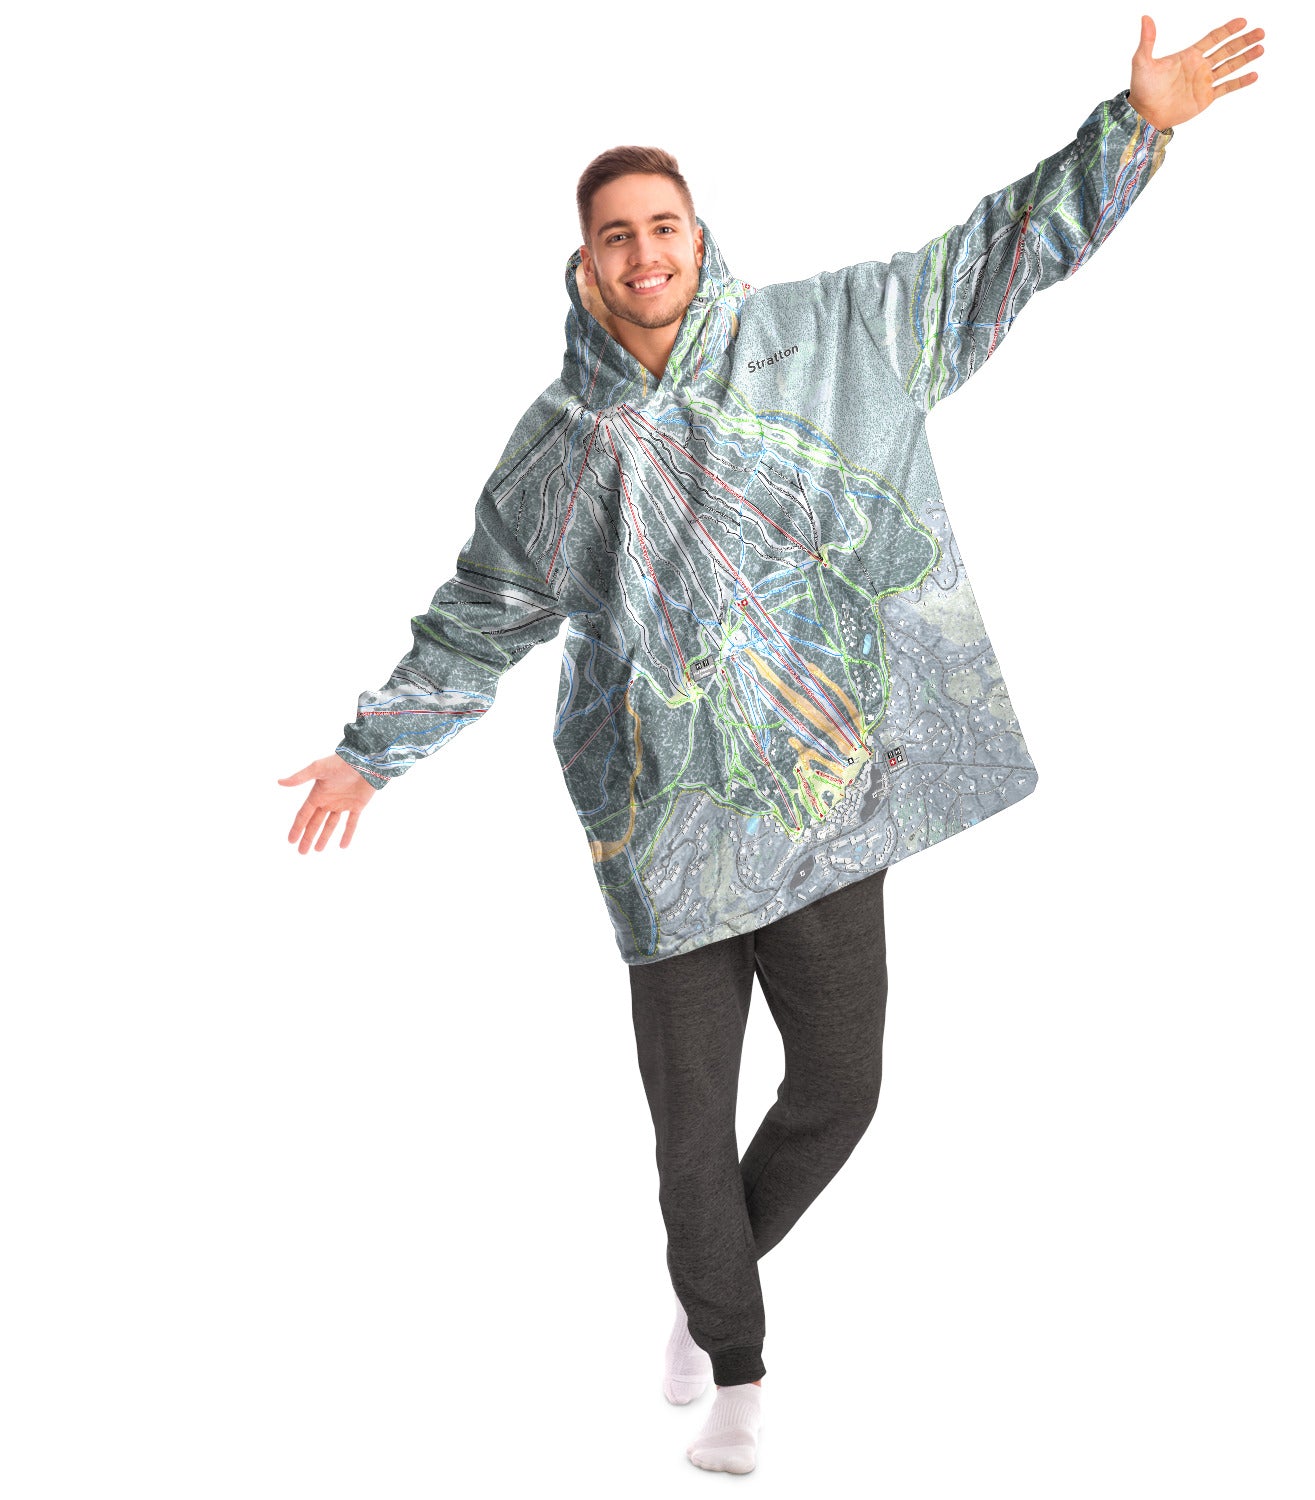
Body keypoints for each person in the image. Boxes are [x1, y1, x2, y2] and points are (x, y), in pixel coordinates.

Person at [280, 15, 1264, 1474]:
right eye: (616, 235)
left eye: (663, 225)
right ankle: (735, 1362)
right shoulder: (559, 446)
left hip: (820, 810)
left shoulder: (832, 337)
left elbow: (995, 256)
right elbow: (480, 617)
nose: (645, 252)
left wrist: (1136, 128)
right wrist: (371, 752)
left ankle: (704, 1284)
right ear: (584, 262)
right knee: (689, 1130)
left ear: (699, 234)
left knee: (842, 1088)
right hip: (665, 829)